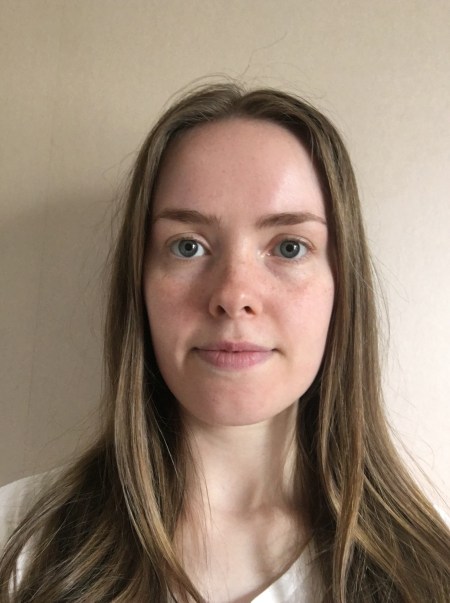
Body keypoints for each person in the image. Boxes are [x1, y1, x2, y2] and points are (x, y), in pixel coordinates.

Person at [0, 82, 449, 603]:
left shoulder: (431, 576)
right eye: (187, 247)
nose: (234, 296)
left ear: (342, 286)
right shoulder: (18, 544)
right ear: (138, 283)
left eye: (289, 246)